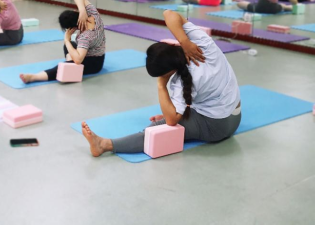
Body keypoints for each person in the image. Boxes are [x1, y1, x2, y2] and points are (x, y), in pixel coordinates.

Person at [80, 10, 241, 157]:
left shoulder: (181, 82)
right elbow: (169, 13)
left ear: (167, 73)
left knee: (157, 129)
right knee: (168, 116)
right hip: (235, 115)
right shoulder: (203, 44)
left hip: (217, 126)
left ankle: (104, 145)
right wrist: (184, 41)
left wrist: (161, 85)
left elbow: (172, 120)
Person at [19, 0, 105, 84]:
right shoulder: (93, 14)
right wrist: (82, 10)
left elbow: (78, 60)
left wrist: (67, 40)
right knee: (70, 45)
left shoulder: (85, 37)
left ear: (72, 28)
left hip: (94, 63)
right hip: (95, 54)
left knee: (62, 64)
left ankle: (34, 77)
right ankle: (70, 64)